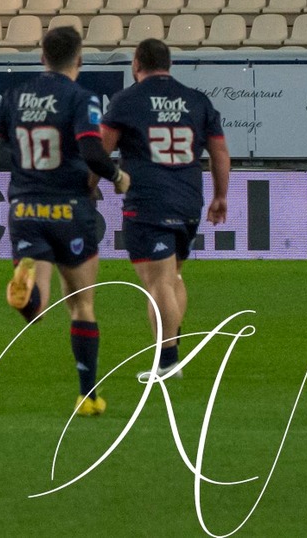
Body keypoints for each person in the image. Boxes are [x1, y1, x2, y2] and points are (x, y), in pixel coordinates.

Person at [0, 24, 128, 416]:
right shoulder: (80, 98)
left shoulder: (15, 96)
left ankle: (26, 290)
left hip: (25, 208)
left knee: (39, 309)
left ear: (42, 57)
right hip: (69, 209)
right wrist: (117, 176)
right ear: (79, 60)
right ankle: (88, 395)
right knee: (81, 305)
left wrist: (30, 167)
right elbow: (94, 155)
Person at [100, 38, 229, 380]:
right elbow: (219, 152)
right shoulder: (196, 100)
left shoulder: (127, 101)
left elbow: (101, 150)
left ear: (136, 64)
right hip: (189, 199)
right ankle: (171, 349)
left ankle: (169, 361)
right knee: (172, 277)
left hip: (147, 200)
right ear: (168, 64)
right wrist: (221, 196)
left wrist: (89, 187)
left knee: (158, 283)